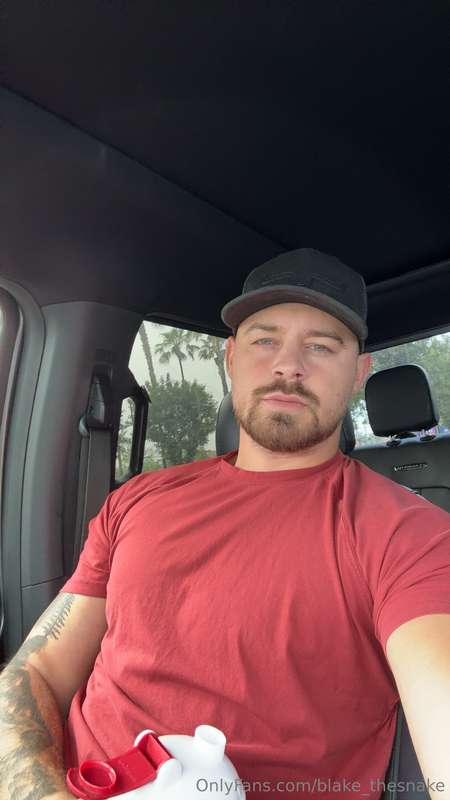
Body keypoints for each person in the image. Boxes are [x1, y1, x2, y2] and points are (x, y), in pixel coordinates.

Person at [1, 248, 450, 800]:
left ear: (359, 373)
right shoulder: (137, 500)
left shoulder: (411, 534)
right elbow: (38, 670)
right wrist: (40, 791)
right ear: (231, 357)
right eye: (264, 340)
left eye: (320, 346)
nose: (288, 365)